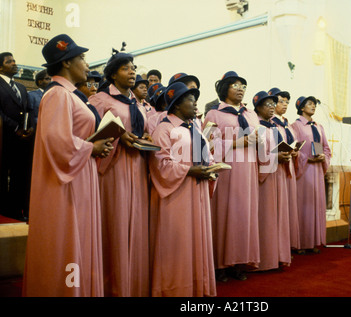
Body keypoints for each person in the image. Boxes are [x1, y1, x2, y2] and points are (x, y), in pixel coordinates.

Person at [22, 34, 114, 296]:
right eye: (82, 58)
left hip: (79, 174)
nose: (87, 64)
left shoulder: (70, 95)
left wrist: (93, 146)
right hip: (66, 182)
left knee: (80, 238)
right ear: (65, 63)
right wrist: (90, 147)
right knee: (68, 239)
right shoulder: (58, 95)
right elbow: (56, 140)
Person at [89, 51, 150, 297]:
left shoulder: (136, 101)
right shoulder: (100, 99)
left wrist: (147, 137)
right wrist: (118, 136)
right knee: (115, 222)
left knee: (135, 223)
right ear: (113, 74)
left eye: (134, 67)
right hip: (113, 167)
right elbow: (91, 130)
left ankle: (133, 283)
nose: (133, 71)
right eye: (126, 68)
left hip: (136, 165)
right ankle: (110, 285)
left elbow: (144, 128)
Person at [148, 82, 216, 296]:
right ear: (176, 105)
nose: (195, 103)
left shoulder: (194, 127)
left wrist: (212, 167)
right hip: (176, 194)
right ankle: (174, 289)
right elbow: (160, 163)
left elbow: (206, 154)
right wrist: (190, 171)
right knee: (177, 241)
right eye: (189, 99)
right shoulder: (164, 129)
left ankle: (197, 287)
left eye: (195, 99)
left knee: (197, 240)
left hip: (198, 190)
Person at [203, 71, 260, 282]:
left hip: (248, 170)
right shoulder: (214, 114)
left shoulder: (250, 115)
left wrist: (261, 143)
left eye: (243, 85)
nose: (240, 88)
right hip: (227, 170)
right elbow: (205, 145)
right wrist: (236, 143)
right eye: (235, 84)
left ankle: (239, 262)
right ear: (224, 88)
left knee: (244, 216)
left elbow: (259, 140)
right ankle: (219, 265)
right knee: (225, 214)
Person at [253, 91, 291, 271]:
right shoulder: (257, 128)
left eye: (272, 105)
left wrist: (286, 155)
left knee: (279, 216)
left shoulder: (275, 128)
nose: (271, 108)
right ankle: (265, 260)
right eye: (267, 105)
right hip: (265, 178)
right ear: (258, 107)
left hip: (279, 174)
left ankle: (278, 256)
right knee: (266, 217)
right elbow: (258, 156)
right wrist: (276, 157)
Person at [290, 95, 331, 254]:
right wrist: (307, 159)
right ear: (301, 107)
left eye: (314, 103)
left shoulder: (318, 126)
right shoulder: (296, 126)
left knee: (316, 205)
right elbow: (294, 149)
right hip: (304, 170)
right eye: (310, 103)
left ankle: (314, 241)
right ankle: (300, 243)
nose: (313, 106)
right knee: (303, 206)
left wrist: (323, 157)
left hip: (317, 171)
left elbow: (325, 147)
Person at [0, 52, 35, 221]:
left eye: (14, 60)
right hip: (4, 138)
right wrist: (15, 128)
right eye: (9, 62)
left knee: (19, 176)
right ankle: (4, 210)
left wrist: (29, 128)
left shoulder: (21, 87)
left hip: (22, 140)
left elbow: (28, 111)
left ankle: (17, 209)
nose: (14, 63)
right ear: (0, 67)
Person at [268, 87, 301, 251]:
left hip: (288, 166)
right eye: (281, 101)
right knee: (277, 210)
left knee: (287, 208)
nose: (285, 104)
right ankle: (276, 248)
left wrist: (295, 151)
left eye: (287, 102)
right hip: (275, 168)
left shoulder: (287, 124)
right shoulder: (269, 122)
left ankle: (286, 247)